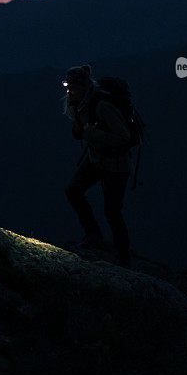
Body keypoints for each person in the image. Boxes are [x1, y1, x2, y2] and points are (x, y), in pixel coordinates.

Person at [63, 64, 132, 268]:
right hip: (97, 159)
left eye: (72, 87)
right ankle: (93, 234)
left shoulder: (102, 106)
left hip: (116, 165)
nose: (69, 91)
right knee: (73, 191)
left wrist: (94, 134)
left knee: (112, 211)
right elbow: (80, 132)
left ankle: (123, 258)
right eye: (68, 86)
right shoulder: (79, 105)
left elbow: (124, 136)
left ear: (84, 87)